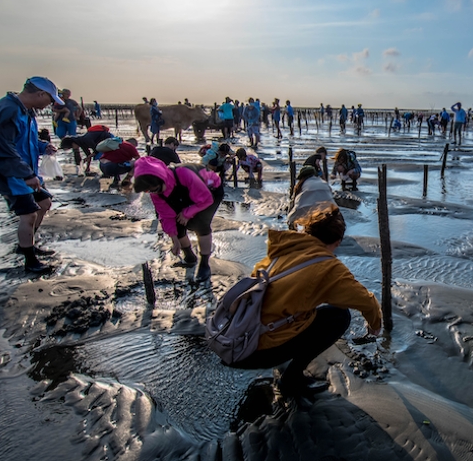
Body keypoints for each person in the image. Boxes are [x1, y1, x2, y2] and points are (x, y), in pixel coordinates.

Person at [228, 204, 382, 396]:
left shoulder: (285, 247)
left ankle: (281, 353)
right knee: (340, 316)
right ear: (337, 241)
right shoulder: (328, 268)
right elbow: (366, 301)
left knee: (313, 310)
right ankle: (290, 380)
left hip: (237, 336)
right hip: (256, 351)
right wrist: (374, 324)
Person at [0, 77, 61, 273]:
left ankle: (27, 244)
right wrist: (25, 174)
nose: (51, 104)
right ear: (40, 94)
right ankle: (30, 261)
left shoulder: (25, 111)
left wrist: (42, 146)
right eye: (50, 99)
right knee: (29, 213)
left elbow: (23, 141)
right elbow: (0, 147)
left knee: (44, 204)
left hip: (25, 170)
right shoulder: (8, 110)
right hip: (10, 172)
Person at [133, 156, 225, 282]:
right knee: (177, 224)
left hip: (211, 190)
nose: (154, 193)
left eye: (155, 189)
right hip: (186, 194)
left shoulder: (183, 174)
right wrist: (174, 239)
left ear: (161, 179)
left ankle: (204, 264)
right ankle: (189, 257)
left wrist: (188, 213)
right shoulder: (156, 193)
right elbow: (166, 216)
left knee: (200, 224)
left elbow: (206, 199)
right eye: (149, 191)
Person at [288, 165, 337, 229]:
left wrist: (290, 219)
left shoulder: (302, 185)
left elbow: (294, 203)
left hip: (312, 213)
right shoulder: (323, 182)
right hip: (330, 213)